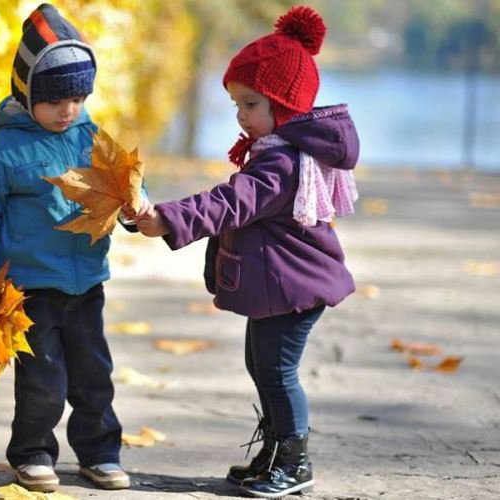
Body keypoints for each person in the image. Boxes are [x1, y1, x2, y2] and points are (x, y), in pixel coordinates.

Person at [134, 6, 359, 498]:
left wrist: (169, 218)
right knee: (261, 367)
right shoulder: (274, 149)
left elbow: (231, 203)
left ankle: (296, 462)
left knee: (277, 371)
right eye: (236, 103)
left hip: (295, 290)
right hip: (281, 287)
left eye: (250, 103)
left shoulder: (280, 162)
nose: (240, 115)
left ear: (284, 104)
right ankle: (277, 450)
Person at [0, 3, 131, 494]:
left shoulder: (92, 138)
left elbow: (121, 189)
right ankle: (32, 452)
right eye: (54, 100)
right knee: (43, 377)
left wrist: (134, 210)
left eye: (76, 97)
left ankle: (100, 453)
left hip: (87, 282)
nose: (67, 110)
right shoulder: (2, 152)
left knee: (95, 375)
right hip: (30, 286)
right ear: (26, 92)